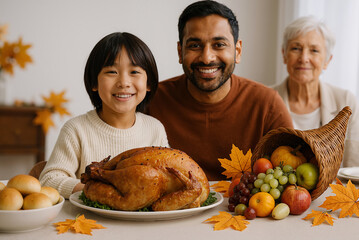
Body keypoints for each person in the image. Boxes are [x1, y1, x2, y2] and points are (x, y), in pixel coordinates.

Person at [146, 0, 293, 180]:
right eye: (195, 45)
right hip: (173, 208)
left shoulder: (267, 105)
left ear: (237, 51)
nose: (207, 58)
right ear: (180, 51)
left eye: (219, 45)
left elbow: (289, 175)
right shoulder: (152, 100)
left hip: (242, 208)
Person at [39, 32, 169, 198]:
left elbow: (167, 178)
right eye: (112, 72)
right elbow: (49, 180)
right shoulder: (76, 130)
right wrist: (100, 193)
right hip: (90, 220)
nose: (124, 82)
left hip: (142, 222)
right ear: (94, 82)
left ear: (148, 83)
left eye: (134, 72)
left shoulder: (155, 129)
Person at [273, 16, 359, 167]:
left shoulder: (346, 101)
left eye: (314, 50)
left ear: (327, 60)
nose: (304, 58)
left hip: (335, 189)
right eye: (295, 48)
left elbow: (354, 167)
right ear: (284, 55)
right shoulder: (265, 99)